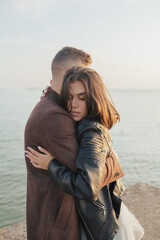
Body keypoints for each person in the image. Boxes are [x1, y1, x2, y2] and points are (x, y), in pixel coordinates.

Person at [26, 66, 144, 240]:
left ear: (94, 99)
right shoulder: (83, 123)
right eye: (70, 97)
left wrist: (51, 165)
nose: (74, 104)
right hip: (102, 218)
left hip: (102, 227)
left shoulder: (92, 133)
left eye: (82, 98)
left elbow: (87, 187)